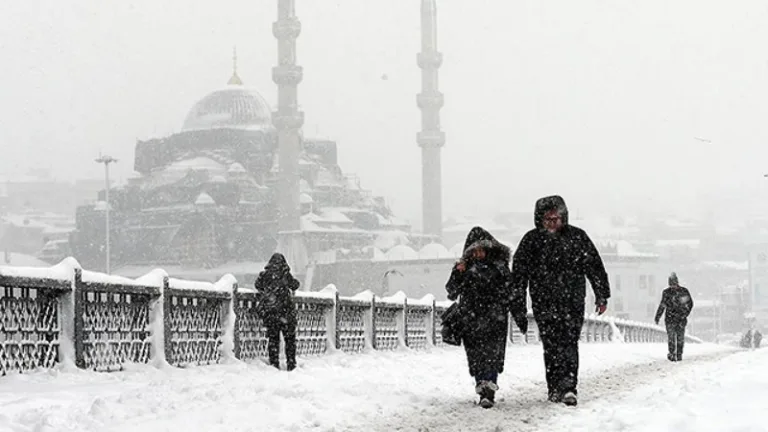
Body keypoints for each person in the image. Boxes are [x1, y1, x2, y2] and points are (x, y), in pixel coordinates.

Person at [510, 195, 610, 406]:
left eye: (556, 218)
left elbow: (594, 266)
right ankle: (554, 387)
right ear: (540, 219)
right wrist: (517, 305)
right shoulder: (531, 241)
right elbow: (518, 276)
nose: (553, 223)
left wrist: (602, 295)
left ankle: (568, 387)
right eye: (548, 219)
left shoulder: (577, 237)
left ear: (563, 217)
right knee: (551, 344)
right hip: (544, 302)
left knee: (569, 343)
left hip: (572, 301)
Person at [445, 226, 521, 409]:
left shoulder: (500, 268)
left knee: (492, 356)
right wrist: (458, 272)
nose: (478, 254)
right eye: (475, 250)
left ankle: (489, 390)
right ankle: (483, 387)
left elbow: (511, 292)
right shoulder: (466, 269)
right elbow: (452, 291)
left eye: (481, 249)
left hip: (494, 319)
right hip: (472, 319)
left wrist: (517, 312)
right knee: (477, 356)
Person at [254, 253, 301, 371]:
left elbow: (258, 285)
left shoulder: (265, 275)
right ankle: (291, 363)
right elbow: (295, 285)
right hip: (286, 312)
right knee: (290, 340)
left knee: (273, 340)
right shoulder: (285, 275)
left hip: (271, 314)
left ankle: (274, 364)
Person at [654, 272, 694, 362]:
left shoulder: (683, 292)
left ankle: (679, 354)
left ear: (677, 283)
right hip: (671, 319)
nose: (673, 286)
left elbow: (690, 304)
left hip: (680, 319)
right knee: (671, 337)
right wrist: (658, 316)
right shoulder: (667, 293)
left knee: (680, 338)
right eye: (671, 284)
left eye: (674, 284)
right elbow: (662, 305)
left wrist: (685, 314)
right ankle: (672, 353)